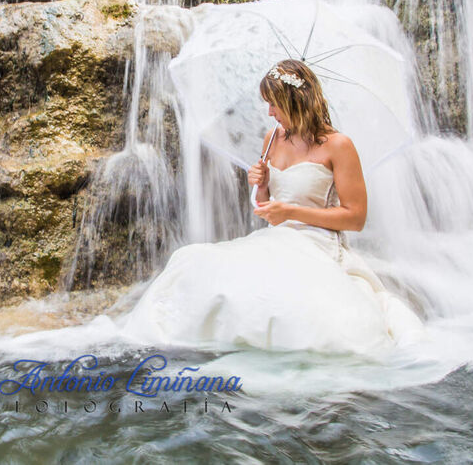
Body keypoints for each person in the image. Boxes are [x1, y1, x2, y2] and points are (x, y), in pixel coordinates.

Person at [117, 59, 425, 354]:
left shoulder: (338, 145)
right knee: (194, 261)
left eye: (274, 104)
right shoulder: (271, 139)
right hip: (276, 239)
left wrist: (290, 212)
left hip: (319, 245)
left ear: (295, 100)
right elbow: (265, 208)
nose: (269, 112)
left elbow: (355, 218)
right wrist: (261, 184)